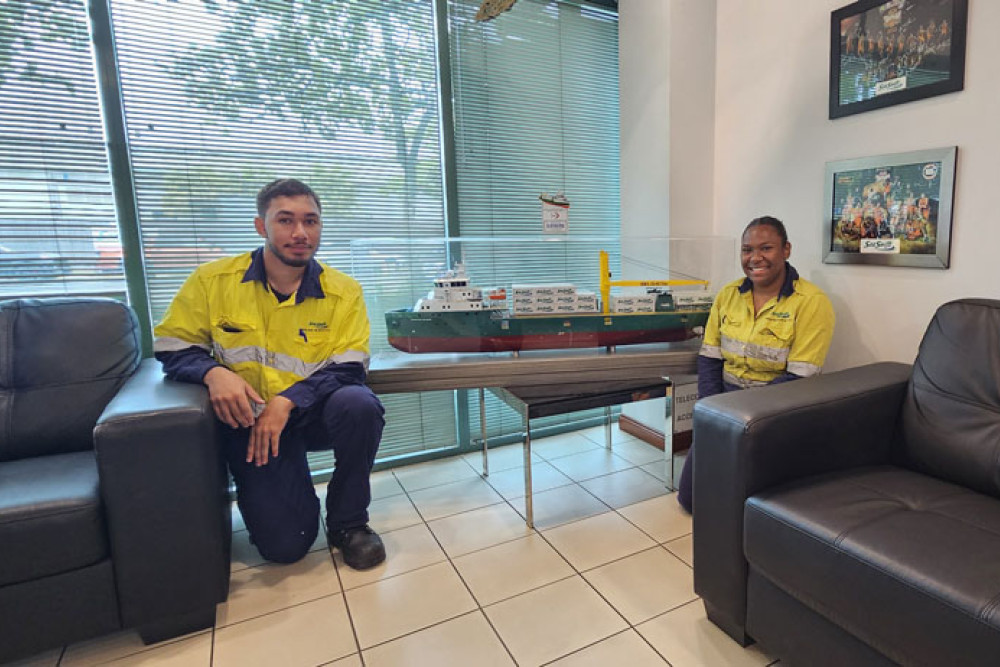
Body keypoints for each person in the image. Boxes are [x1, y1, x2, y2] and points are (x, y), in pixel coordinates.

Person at [154, 178, 387, 570]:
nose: (300, 233)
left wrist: (288, 401)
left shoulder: (343, 291)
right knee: (285, 547)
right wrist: (213, 373)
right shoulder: (213, 282)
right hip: (252, 422)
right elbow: (171, 345)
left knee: (359, 405)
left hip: (312, 413)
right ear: (261, 226)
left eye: (311, 221)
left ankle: (349, 522)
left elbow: (349, 367)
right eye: (285, 220)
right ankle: (291, 497)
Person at [676, 216, 834, 513]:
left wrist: (741, 415)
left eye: (766, 248)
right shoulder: (728, 294)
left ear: (786, 250)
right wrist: (711, 411)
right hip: (726, 399)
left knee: (747, 505)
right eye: (747, 250)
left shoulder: (811, 301)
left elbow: (800, 377)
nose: (755, 258)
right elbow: (710, 357)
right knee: (690, 500)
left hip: (777, 407)